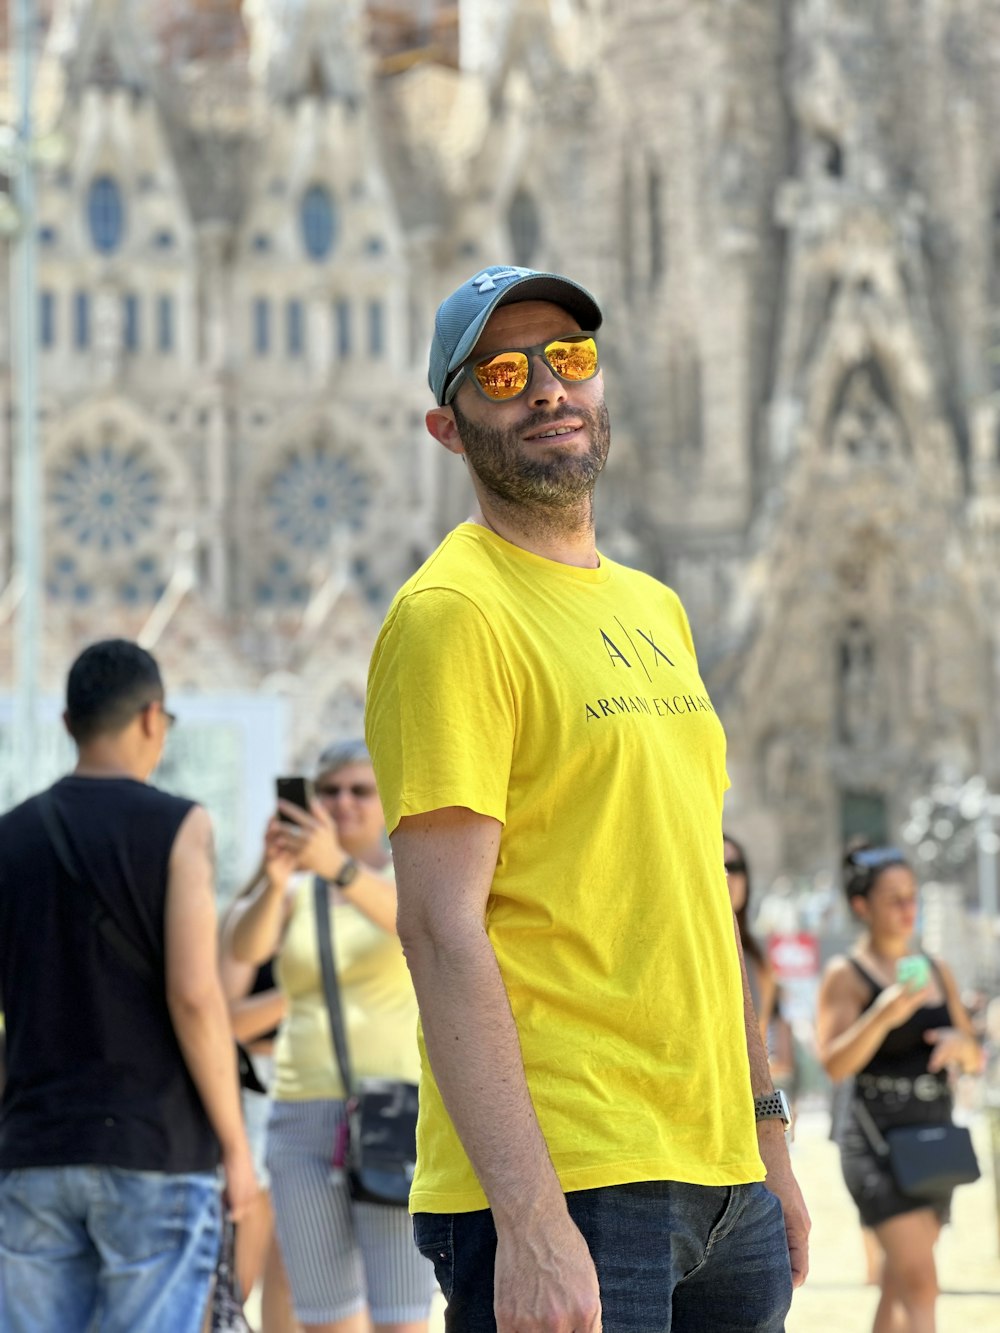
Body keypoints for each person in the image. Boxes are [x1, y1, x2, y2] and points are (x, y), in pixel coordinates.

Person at [365, 265, 811, 1332]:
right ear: (447, 425)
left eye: (568, 359)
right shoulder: (452, 615)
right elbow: (437, 927)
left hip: (718, 1172)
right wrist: (527, 1217)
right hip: (570, 1175)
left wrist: (768, 1137)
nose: (548, 389)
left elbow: (702, 890)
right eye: (505, 372)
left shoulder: (654, 606)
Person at [0, 639, 256, 1333]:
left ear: (67, 723)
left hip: (34, 1147)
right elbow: (195, 996)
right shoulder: (180, 825)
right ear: (151, 718)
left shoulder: (10, 836)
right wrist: (235, 1144)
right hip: (155, 1145)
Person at [225, 741, 436, 1333]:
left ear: (385, 798)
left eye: (359, 790)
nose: (342, 803)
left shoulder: (410, 875)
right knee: (322, 1316)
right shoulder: (296, 888)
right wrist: (272, 881)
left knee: (401, 1315)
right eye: (329, 791)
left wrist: (339, 869)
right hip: (301, 1112)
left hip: (394, 1110)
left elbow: (411, 926)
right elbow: (242, 949)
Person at [816, 844, 982, 1333]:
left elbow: (973, 1056)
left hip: (932, 1141)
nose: (908, 909)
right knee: (922, 1282)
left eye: (912, 897)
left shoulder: (935, 968)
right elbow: (833, 1063)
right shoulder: (845, 975)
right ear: (861, 906)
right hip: (876, 1142)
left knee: (899, 1285)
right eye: (894, 899)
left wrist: (960, 1044)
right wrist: (883, 1014)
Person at [725, 832, 777, 1041]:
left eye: (735, 867)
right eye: (717, 866)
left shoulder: (758, 960)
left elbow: (759, 1041)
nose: (727, 875)